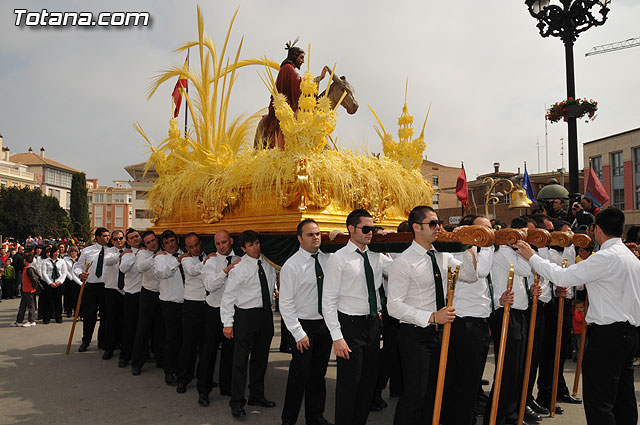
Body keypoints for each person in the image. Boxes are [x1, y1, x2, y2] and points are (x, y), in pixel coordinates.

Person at [515, 207, 640, 425]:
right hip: (628, 334)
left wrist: (532, 257)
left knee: (600, 401)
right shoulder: (630, 258)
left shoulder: (605, 257)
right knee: (623, 397)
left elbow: (562, 277)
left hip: (607, 336)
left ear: (597, 229)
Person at [386, 206, 476, 425]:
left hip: (440, 334)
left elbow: (471, 275)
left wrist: (468, 243)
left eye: (440, 223)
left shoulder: (442, 256)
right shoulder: (403, 262)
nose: (439, 228)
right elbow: (394, 307)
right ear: (416, 227)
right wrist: (432, 317)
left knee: (435, 393)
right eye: (433, 223)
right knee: (415, 395)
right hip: (415, 335)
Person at [322, 209, 393, 425]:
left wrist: (394, 240)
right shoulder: (338, 259)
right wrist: (337, 337)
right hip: (349, 326)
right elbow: (328, 300)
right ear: (351, 229)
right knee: (349, 384)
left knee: (368, 381)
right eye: (365, 228)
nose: (370, 233)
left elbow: (403, 269)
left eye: (372, 228)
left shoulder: (378, 257)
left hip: (372, 324)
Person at [483, 217, 541, 425]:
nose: (527, 238)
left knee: (519, 367)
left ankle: (513, 410)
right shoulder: (503, 252)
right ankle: (497, 415)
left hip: (519, 311)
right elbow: (526, 270)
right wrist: (526, 252)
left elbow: (531, 275)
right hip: (505, 311)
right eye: (523, 234)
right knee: (508, 368)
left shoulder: (517, 253)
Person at [280, 219, 333, 425]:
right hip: (302, 326)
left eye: (318, 234)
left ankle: (315, 416)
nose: (316, 237)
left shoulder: (328, 258)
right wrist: (298, 333)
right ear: (300, 239)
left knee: (318, 375)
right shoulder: (291, 266)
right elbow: (285, 303)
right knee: (298, 376)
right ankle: (289, 419)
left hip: (324, 324)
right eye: (310, 234)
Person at [221, 230, 278, 419]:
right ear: (243, 248)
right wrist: (227, 323)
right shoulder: (239, 268)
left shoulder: (269, 263)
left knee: (260, 359)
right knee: (240, 361)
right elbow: (228, 297)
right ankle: (236, 402)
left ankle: (257, 395)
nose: (256, 247)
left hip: (265, 314)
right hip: (245, 316)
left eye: (257, 243)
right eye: (251, 245)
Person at [442, 214, 492, 425]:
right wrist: (480, 244)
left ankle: (462, 417)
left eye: (490, 229)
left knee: (470, 379)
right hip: (464, 320)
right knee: (465, 379)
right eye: (483, 230)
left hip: (480, 318)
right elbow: (478, 272)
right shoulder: (460, 250)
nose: (488, 234)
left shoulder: (481, 250)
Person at [262, 42, 330, 149]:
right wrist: (319, 78)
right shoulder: (289, 69)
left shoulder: (287, 68)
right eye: (301, 57)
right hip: (288, 109)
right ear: (294, 57)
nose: (303, 61)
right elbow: (302, 85)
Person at [199, 230, 241, 406]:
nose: (222, 246)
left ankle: (227, 386)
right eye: (218, 244)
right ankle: (204, 391)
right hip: (214, 310)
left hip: (233, 311)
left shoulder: (241, 259)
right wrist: (225, 270)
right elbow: (210, 285)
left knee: (231, 352)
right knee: (208, 352)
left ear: (230, 241)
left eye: (224, 242)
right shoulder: (210, 262)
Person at [74, 228, 117, 352]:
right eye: (105, 236)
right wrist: (80, 274)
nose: (107, 238)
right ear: (97, 237)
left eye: (109, 236)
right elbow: (77, 267)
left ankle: (102, 341)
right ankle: (85, 341)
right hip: (91, 286)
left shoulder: (112, 251)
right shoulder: (87, 251)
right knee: (89, 315)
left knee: (105, 315)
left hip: (107, 286)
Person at [175, 233, 208, 396]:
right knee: (188, 345)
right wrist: (208, 262)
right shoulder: (186, 259)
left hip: (207, 305)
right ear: (186, 248)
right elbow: (193, 271)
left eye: (196, 245)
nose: (195, 249)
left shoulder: (208, 256)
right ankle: (183, 378)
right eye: (191, 246)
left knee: (205, 346)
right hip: (191, 305)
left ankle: (204, 377)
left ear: (201, 243)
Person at [153, 230, 185, 387]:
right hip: (170, 304)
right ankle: (169, 371)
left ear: (177, 240)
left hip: (189, 303)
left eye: (172, 241)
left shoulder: (188, 253)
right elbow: (163, 273)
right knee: (172, 340)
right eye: (166, 243)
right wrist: (177, 260)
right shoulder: (160, 258)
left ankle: (185, 371)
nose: (171, 244)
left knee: (188, 340)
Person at [131, 231, 165, 376]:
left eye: (153, 240)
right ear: (145, 244)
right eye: (149, 242)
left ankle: (160, 358)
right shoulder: (142, 254)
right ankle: (137, 362)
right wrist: (154, 257)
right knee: (143, 329)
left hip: (163, 295)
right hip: (148, 294)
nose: (152, 244)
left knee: (160, 329)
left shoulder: (164, 251)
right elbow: (140, 267)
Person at [118, 229, 143, 368]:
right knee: (129, 327)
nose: (135, 239)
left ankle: (141, 355)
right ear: (127, 241)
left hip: (145, 294)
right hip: (131, 294)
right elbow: (123, 269)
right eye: (132, 238)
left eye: (137, 236)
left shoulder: (147, 251)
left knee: (142, 328)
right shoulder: (128, 254)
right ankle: (125, 356)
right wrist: (134, 256)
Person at [102, 230, 126, 361]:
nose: (119, 241)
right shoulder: (109, 251)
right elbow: (108, 261)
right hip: (112, 289)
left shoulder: (131, 251)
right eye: (115, 239)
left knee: (125, 321)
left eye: (121, 238)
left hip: (126, 290)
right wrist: (121, 256)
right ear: (112, 241)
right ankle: (109, 347)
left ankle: (124, 346)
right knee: (111, 320)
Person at [40, 245, 68, 324]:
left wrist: (60, 282)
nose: (57, 253)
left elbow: (64, 272)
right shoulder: (46, 261)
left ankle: (58, 316)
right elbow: (44, 273)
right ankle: (46, 317)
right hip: (49, 283)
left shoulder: (61, 261)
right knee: (48, 301)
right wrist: (50, 282)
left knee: (58, 301)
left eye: (58, 252)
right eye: (55, 252)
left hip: (58, 283)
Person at [11, 254, 41, 327]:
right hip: (25, 290)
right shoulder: (26, 268)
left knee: (31, 306)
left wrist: (35, 288)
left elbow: (34, 279)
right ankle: (19, 320)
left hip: (29, 290)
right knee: (22, 306)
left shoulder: (30, 269)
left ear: (25, 260)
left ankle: (32, 320)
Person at [63, 246, 82, 318]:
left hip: (78, 280)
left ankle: (77, 312)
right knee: (69, 296)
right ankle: (69, 310)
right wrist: (71, 278)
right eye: (72, 251)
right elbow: (66, 270)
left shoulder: (79, 260)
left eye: (75, 251)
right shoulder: (66, 260)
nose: (73, 253)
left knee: (77, 297)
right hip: (69, 279)